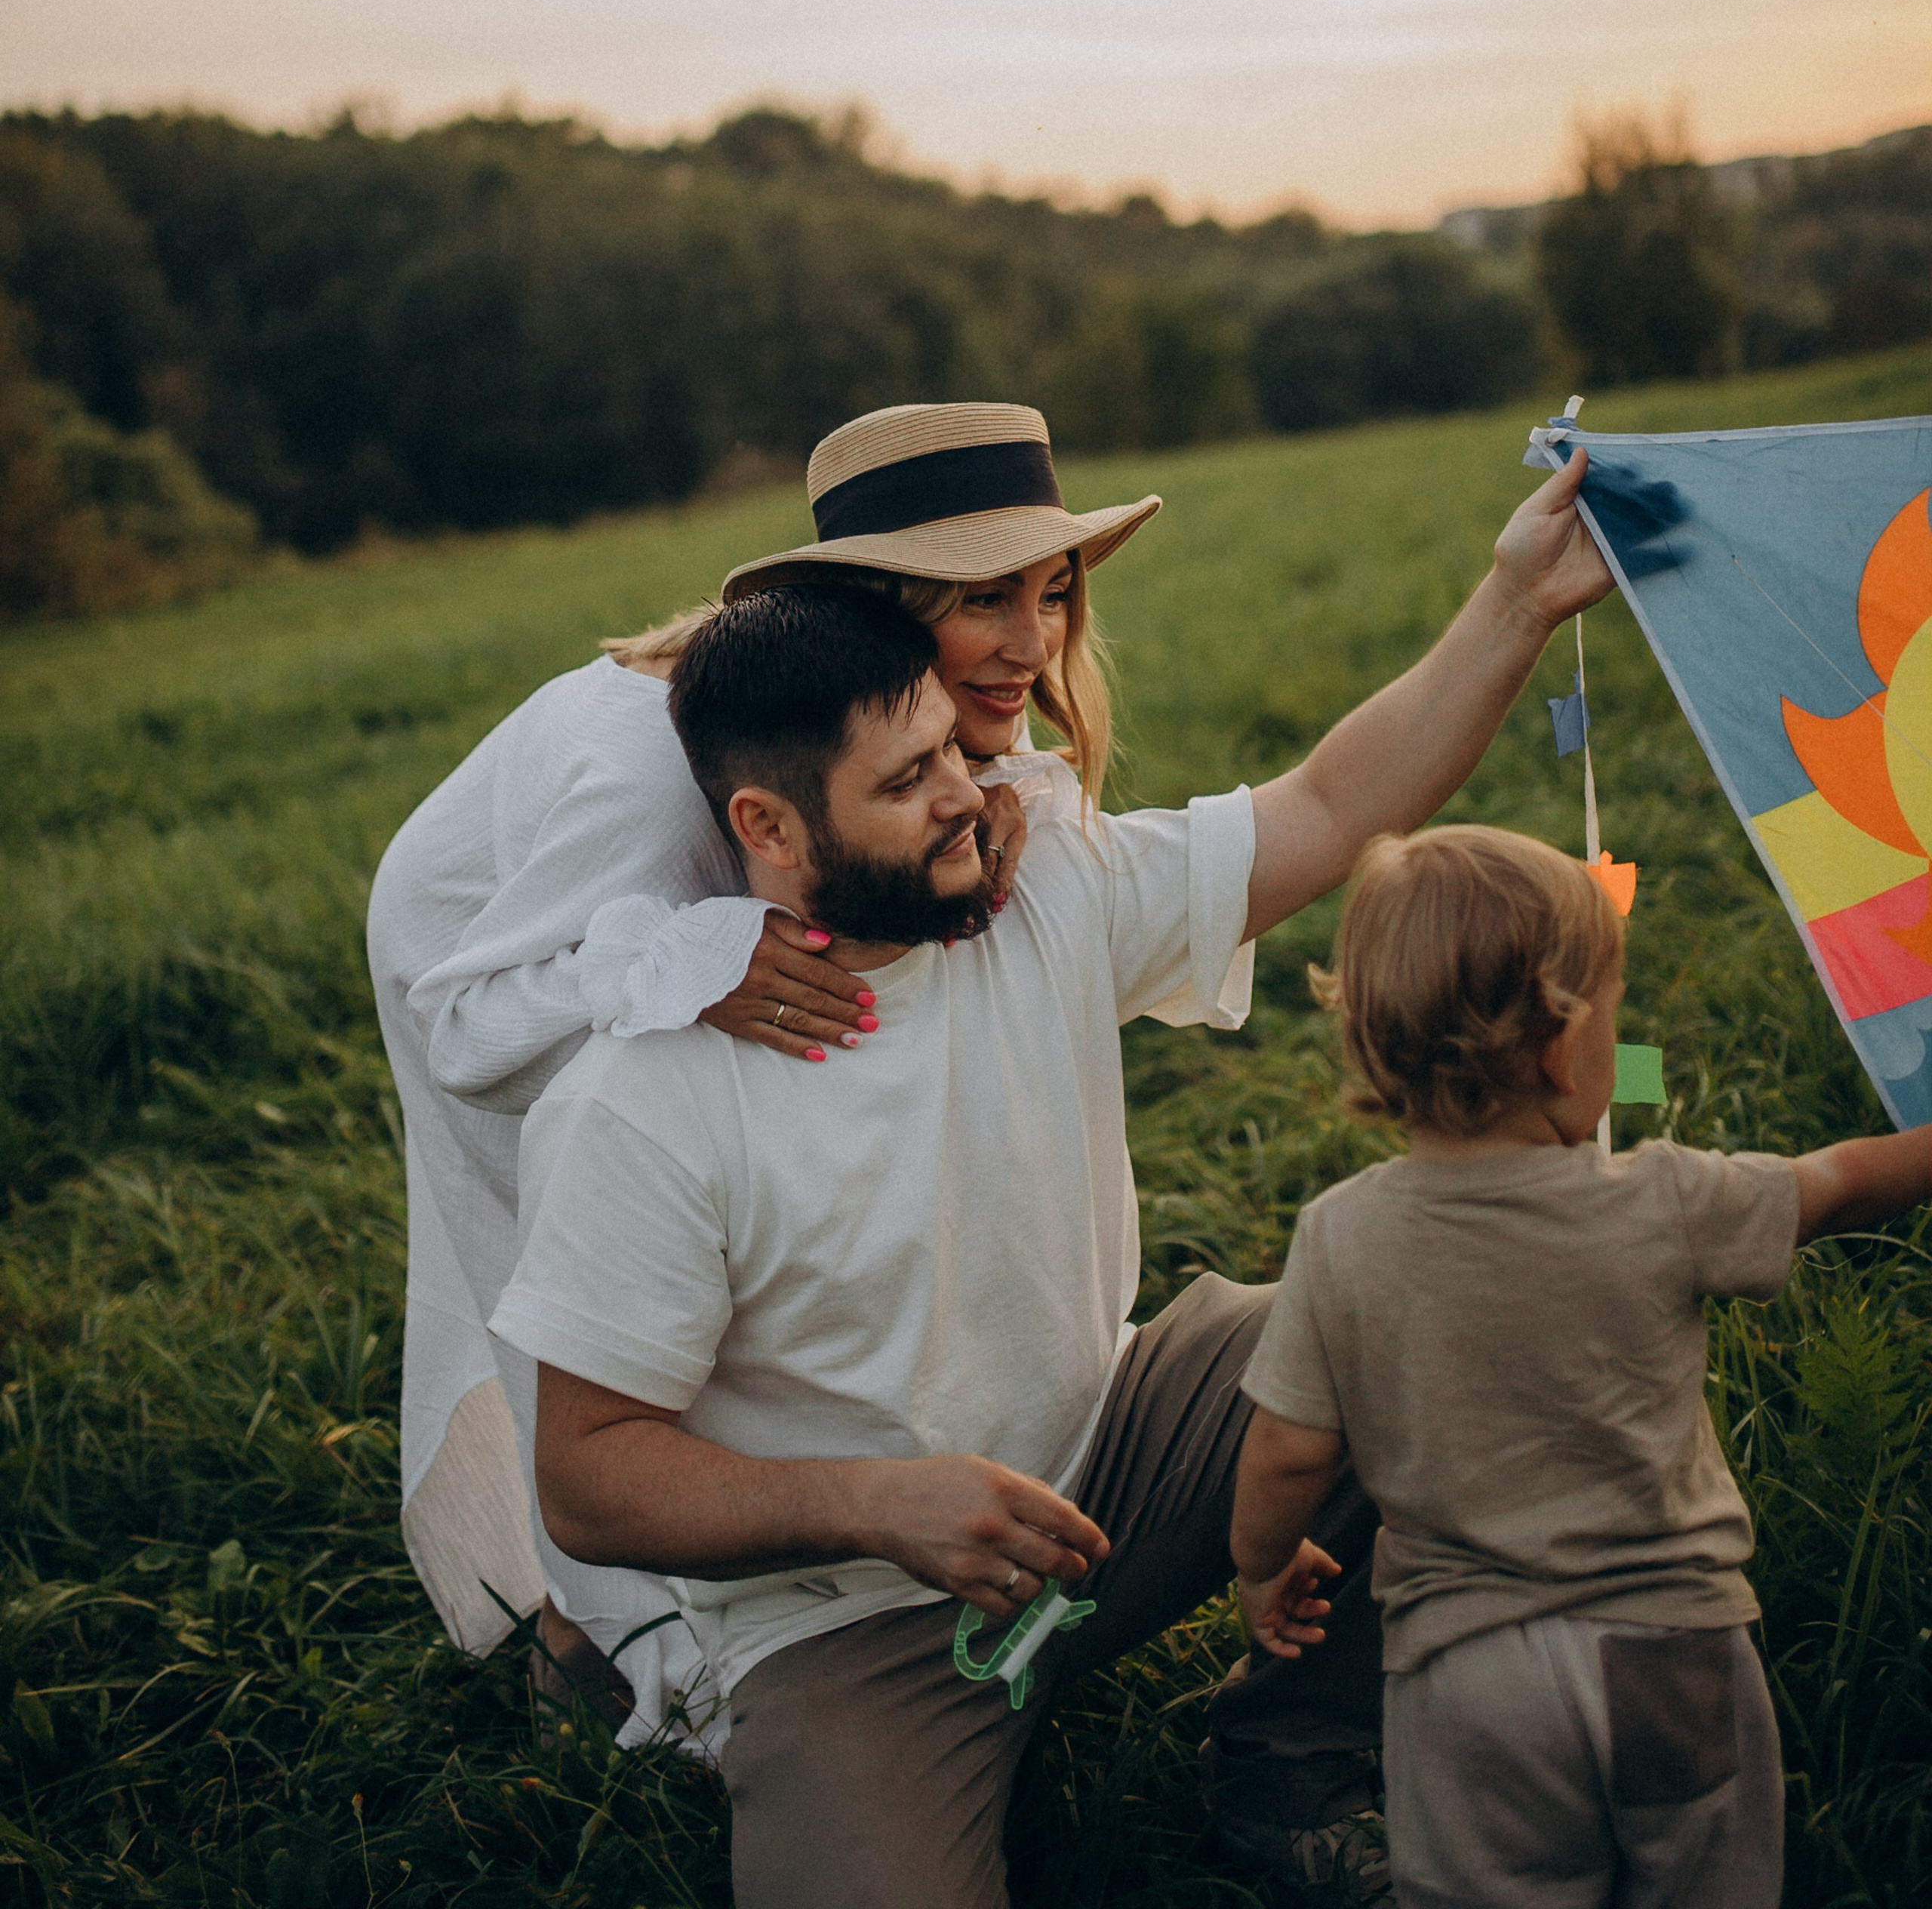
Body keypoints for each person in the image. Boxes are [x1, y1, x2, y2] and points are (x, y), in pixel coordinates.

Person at [493, 448, 1611, 1909]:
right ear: (766, 828)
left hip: (1113, 1461)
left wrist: (1517, 600)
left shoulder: (1042, 881)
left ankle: (1288, 1759)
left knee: (1410, 1320)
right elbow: (585, 1475)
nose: (967, 798)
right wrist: (878, 1506)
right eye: (908, 782)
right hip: (850, 1622)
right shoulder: (651, 1090)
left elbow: (1335, 805)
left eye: (954, 754)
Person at [366, 402, 1156, 1728]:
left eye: (1055, 591)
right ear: (882, 607)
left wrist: (996, 800)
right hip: (483, 949)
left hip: (673, 887)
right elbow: (472, 1033)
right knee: (588, 1282)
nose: (1034, 643)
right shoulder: (651, 781)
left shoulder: (900, 712)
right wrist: (693, 957)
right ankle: (600, 1629)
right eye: (985, 598)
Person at [1231, 824, 1932, 1909]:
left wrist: (1262, 1567)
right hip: (1675, 1647)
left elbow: (1286, 1452)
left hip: (1468, 1681)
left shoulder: (1339, 1236)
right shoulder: (1666, 1199)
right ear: (1564, 1047)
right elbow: (1838, 1182)